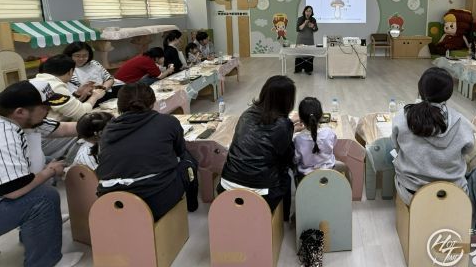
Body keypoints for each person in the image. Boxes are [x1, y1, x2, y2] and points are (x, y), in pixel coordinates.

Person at [0, 81, 83, 267]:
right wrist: (49, 172)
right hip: (7, 193)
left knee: (40, 166)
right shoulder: (4, 134)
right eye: (45, 107)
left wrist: (103, 121)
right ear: (20, 111)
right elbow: (14, 191)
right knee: (44, 197)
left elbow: (63, 129)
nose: (49, 111)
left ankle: (32, 229)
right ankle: (41, 266)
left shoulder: (20, 117)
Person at [96, 83, 198, 221]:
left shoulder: (108, 129)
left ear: (119, 106)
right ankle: (192, 205)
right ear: (152, 103)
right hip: (152, 201)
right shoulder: (167, 122)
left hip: (110, 202)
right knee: (188, 161)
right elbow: (180, 151)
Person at [218, 76, 300, 220]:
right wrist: (289, 128)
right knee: (286, 175)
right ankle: (283, 218)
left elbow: (262, 133)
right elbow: (287, 158)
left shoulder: (247, 114)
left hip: (226, 185)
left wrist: (289, 126)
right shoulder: (283, 125)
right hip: (261, 193)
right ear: (287, 101)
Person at [391, 67, 475, 205]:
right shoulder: (462, 122)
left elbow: (395, 145)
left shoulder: (403, 116)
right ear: (449, 93)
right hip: (453, 192)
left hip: (412, 192)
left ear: (420, 88)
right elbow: (468, 150)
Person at [34, 55, 105, 121]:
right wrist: (95, 96)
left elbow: (65, 107)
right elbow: (82, 113)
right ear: (70, 71)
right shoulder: (55, 86)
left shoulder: (38, 81)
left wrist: (78, 94)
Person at [293, 97, 348, 180]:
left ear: (300, 119)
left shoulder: (298, 139)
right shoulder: (329, 132)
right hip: (329, 176)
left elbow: (295, 160)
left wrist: (294, 130)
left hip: (306, 180)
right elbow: (333, 145)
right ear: (321, 116)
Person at [295, 6, 319, 75]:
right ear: (304, 11)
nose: (308, 12)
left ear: (311, 12)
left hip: (309, 40)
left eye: (310, 11)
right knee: (300, 54)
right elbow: (298, 29)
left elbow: (316, 29)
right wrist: (304, 23)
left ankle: (308, 70)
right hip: (301, 39)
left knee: (309, 54)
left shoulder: (313, 19)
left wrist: (313, 26)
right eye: (307, 11)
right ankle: (298, 69)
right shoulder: (300, 19)